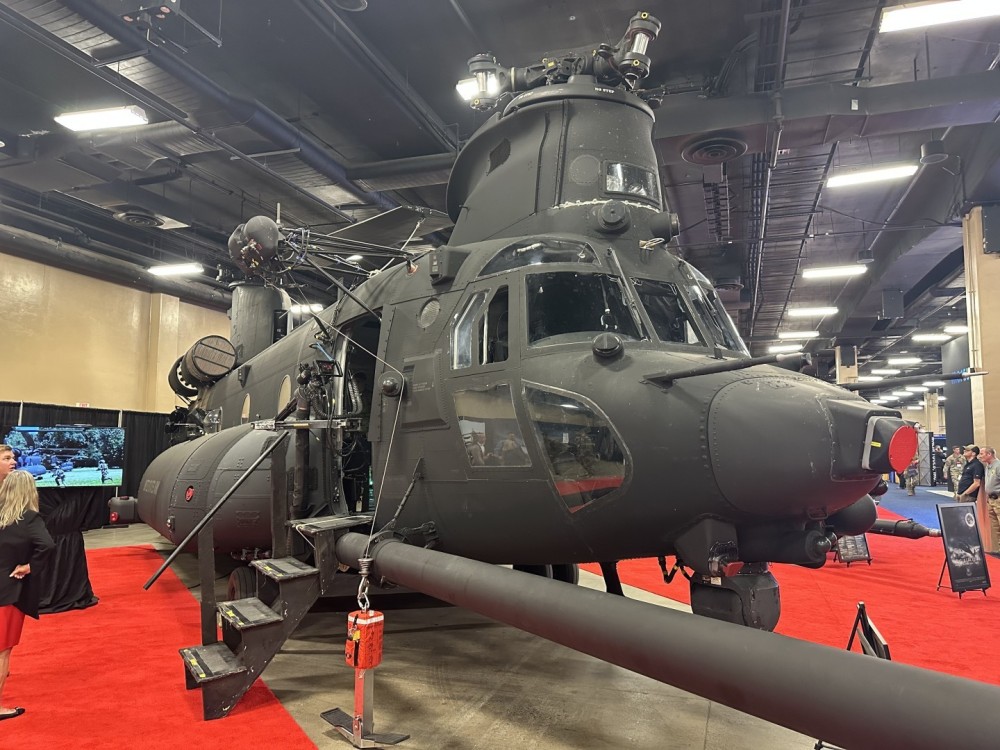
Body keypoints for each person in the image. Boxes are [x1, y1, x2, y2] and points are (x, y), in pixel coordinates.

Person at [0, 470, 55, 720]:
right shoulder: (29, 518)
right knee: (2, 652)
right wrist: (29, 567)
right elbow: (48, 545)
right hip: (7, 593)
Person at [981, 447, 1000, 553]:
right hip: (991, 500)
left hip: (998, 499)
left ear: (989, 454)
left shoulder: (998, 466)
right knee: (996, 527)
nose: (980, 456)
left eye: (982, 453)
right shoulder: (988, 466)